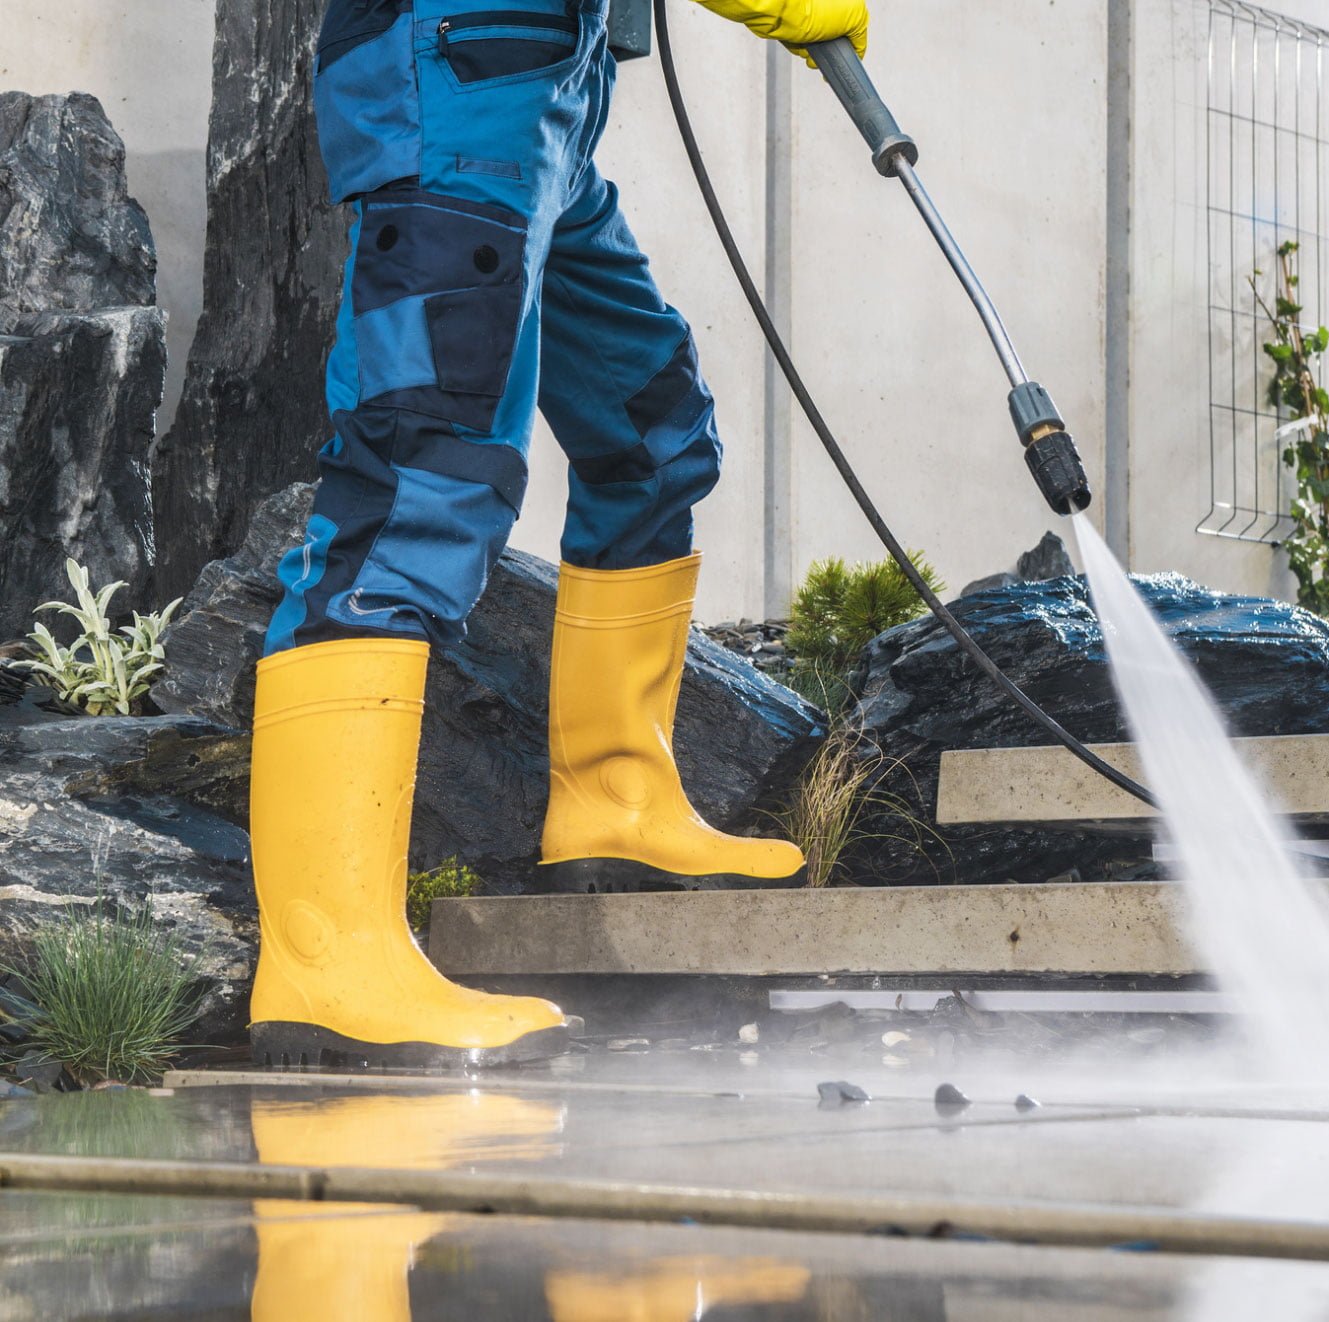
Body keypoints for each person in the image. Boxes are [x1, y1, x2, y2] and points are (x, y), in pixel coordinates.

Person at [246, 0, 870, 1069]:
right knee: (416, 482)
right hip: (458, 77)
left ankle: (617, 800)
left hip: (550, 97)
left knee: (654, 431)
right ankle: (328, 960)